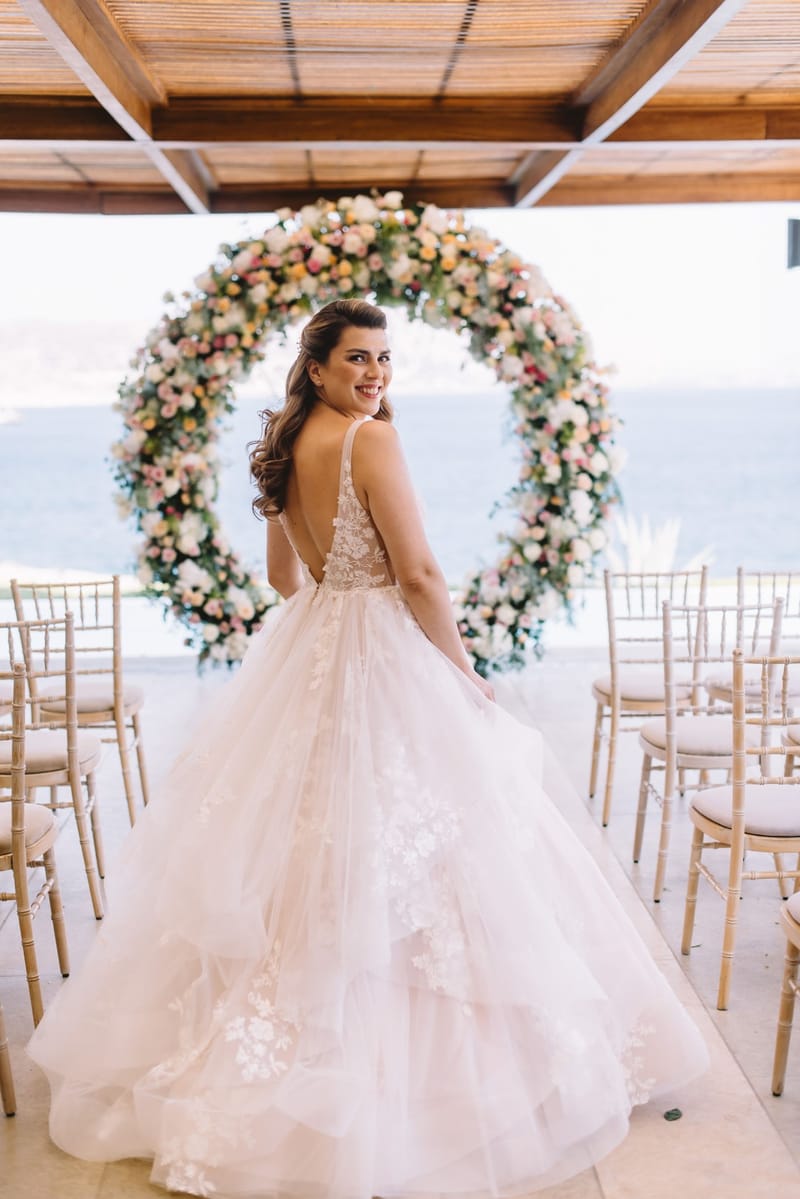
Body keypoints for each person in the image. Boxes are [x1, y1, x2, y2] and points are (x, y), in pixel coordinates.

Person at [29, 298, 708, 1198]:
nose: (375, 375)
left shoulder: (284, 444)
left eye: (384, 358)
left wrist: (330, 559)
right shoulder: (369, 441)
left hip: (312, 645)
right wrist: (463, 676)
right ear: (317, 366)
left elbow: (282, 577)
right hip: (382, 649)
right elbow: (420, 572)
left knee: (315, 847)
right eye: (356, 359)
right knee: (429, 851)